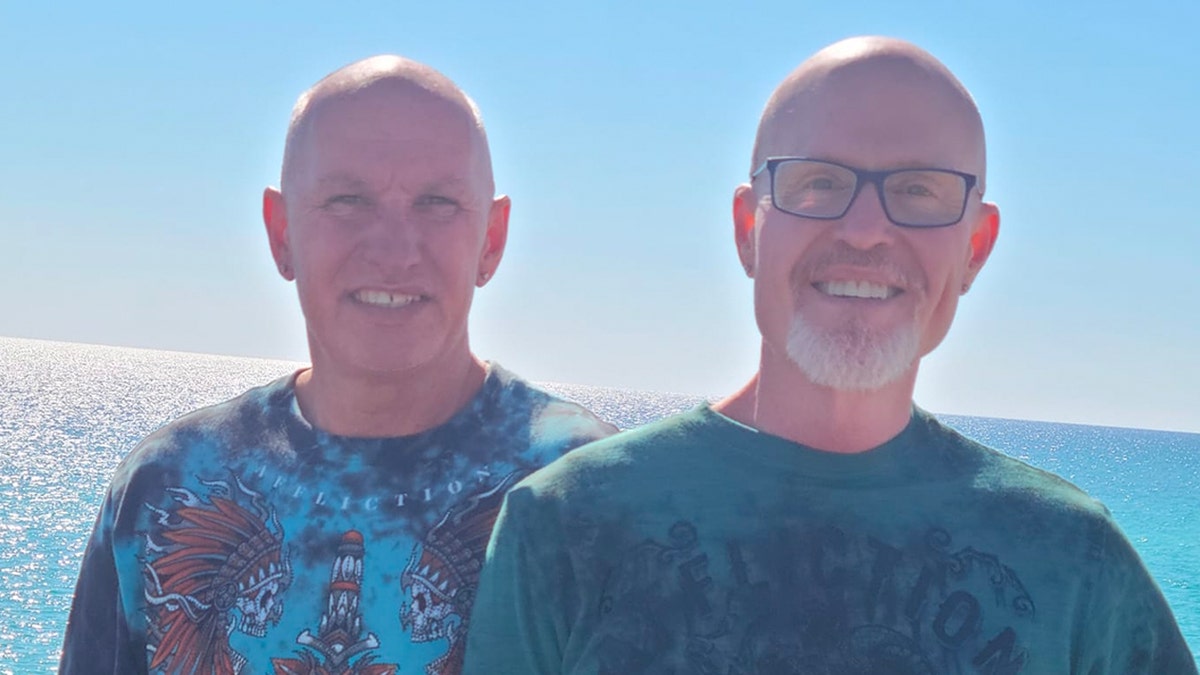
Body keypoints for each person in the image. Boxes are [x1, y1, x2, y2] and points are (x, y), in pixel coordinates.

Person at [462, 37, 1197, 674]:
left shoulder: (1074, 559)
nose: (868, 228)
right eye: (820, 182)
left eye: (919, 189)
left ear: (975, 248)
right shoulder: (565, 525)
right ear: (750, 227)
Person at [58, 55, 616, 675]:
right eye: (347, 200)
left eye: (437, 202)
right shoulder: (168, 488)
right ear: (282, 233)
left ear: (491, 239)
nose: (394, 249)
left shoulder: (589, 491)